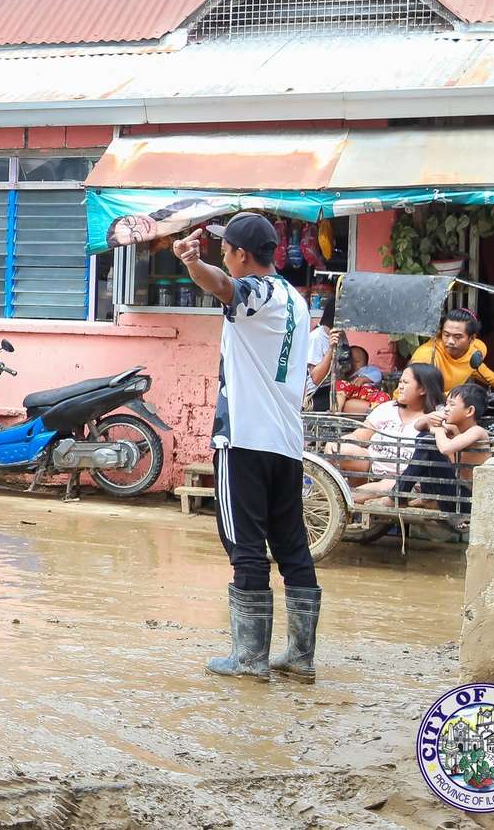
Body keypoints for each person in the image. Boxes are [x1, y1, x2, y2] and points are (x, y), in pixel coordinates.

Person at [172, 212, 321, 684]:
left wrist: (191, 262)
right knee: (292, 546)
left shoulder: (257, 292)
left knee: (245, 547)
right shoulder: (296, 301)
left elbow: (222, 287)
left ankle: (250, 658)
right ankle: (299, 656)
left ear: (240, 254)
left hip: (246, 440)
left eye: (224, 249)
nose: (222, 256)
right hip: (285, 442)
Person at [337, 363, 445, 501]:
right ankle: (339, 499)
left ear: (423, 389)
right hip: (372, 466)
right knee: (342, 449)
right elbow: (360, 434)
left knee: (385, 487)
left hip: (406, 479)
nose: (400, 386)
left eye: (405, 382)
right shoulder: (387, 408)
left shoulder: (435, 416)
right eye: (400, 382)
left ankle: (338, 500)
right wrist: (338, 445)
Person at [395, 383, 491, 523]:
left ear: (469, 411)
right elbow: (418, 426)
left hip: (466, 501)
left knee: (429, 442)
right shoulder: (456, 428)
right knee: (424, 437)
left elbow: (446, 448)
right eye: (446, 404)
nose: (446, 409)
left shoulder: (477, 431)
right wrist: (428, 419)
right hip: (454, 494)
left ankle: (398, 495)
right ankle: (420, 497)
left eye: (451, 405)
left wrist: (438, 430)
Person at [409, 309, 494, 391]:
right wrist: (458, 397)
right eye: (446, 335)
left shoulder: (474, 352)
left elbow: (479, 369)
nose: (450, 341)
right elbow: (418, 393)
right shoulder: (427, 355)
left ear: (472, 339)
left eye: (457, 337)